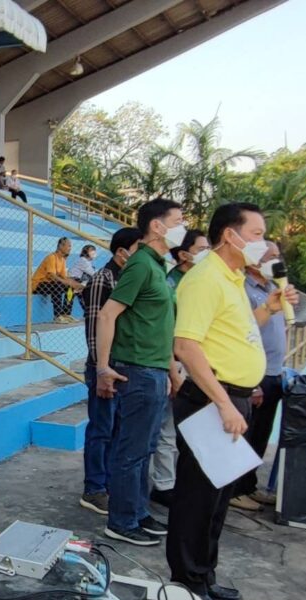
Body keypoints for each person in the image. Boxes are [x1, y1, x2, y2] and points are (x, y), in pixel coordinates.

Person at [167, 202, 297, 600]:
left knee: (218, 499)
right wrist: (224, 403)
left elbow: (234, 333)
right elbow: (186, 346)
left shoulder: (233, 277)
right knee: (197, 499)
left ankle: (203, 575)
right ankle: (187, 586)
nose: (264, 243)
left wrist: (270, 309)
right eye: (257, 234)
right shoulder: (205, 278)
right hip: (211, 400)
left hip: (232, 397)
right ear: (230, 235)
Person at [94, 198, 184, 545]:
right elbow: (107, 314)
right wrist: (103, 367)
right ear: (157, 226)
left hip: (155, 370)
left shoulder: (158, 266)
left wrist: (171, 372)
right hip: (138, 369)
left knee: (145, 448)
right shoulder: (141, 265)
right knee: (131, 451)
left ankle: (137, 511)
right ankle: (121, 520)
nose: (183, 227)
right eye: (178, 221)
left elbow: (160, 325)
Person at [79, 227, 141, 515]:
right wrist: (101, 369)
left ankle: (110, 482)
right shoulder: (103, 279)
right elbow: (95, 326)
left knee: (118, 429)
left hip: (123, 366)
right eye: (138, 248)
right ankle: (94, 488)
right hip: (104, 368)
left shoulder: (130, 277)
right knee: (101, 430)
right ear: (121, 252)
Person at [150, 229, 210, 508]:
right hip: (176, 361)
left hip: (200, 362)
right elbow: (169, 332)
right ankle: (164, 484)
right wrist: (173, 370)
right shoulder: (172, 284)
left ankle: (183, 481)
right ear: (184, 254)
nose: (207, 253)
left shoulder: (204, 280)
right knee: (168, 429)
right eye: (201, 249)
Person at [229, 242, 290, 511]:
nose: (277, 260)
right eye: (271, 256)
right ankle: (234, 489)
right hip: (255, 375)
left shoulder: (272, 289)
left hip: (274, 372)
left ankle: (248, 485)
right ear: (255, 261)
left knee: (260, 435)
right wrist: (253, 383)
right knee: (247, 434)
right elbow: (243, 332)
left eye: (277, 255)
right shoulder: (244, 288)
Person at [31, 237, 81, 323]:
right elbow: (52, 276)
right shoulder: (51, 257)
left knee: (70, 287)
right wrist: (65, 282)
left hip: (50, 284)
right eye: (68, 246)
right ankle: (57, 316)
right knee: (58, 285)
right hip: (38, 285)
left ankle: (66, 314)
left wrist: (73, 283)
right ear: (61, 246)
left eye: (70, 246)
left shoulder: (62, 260)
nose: (70, 248)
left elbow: (64, 277)